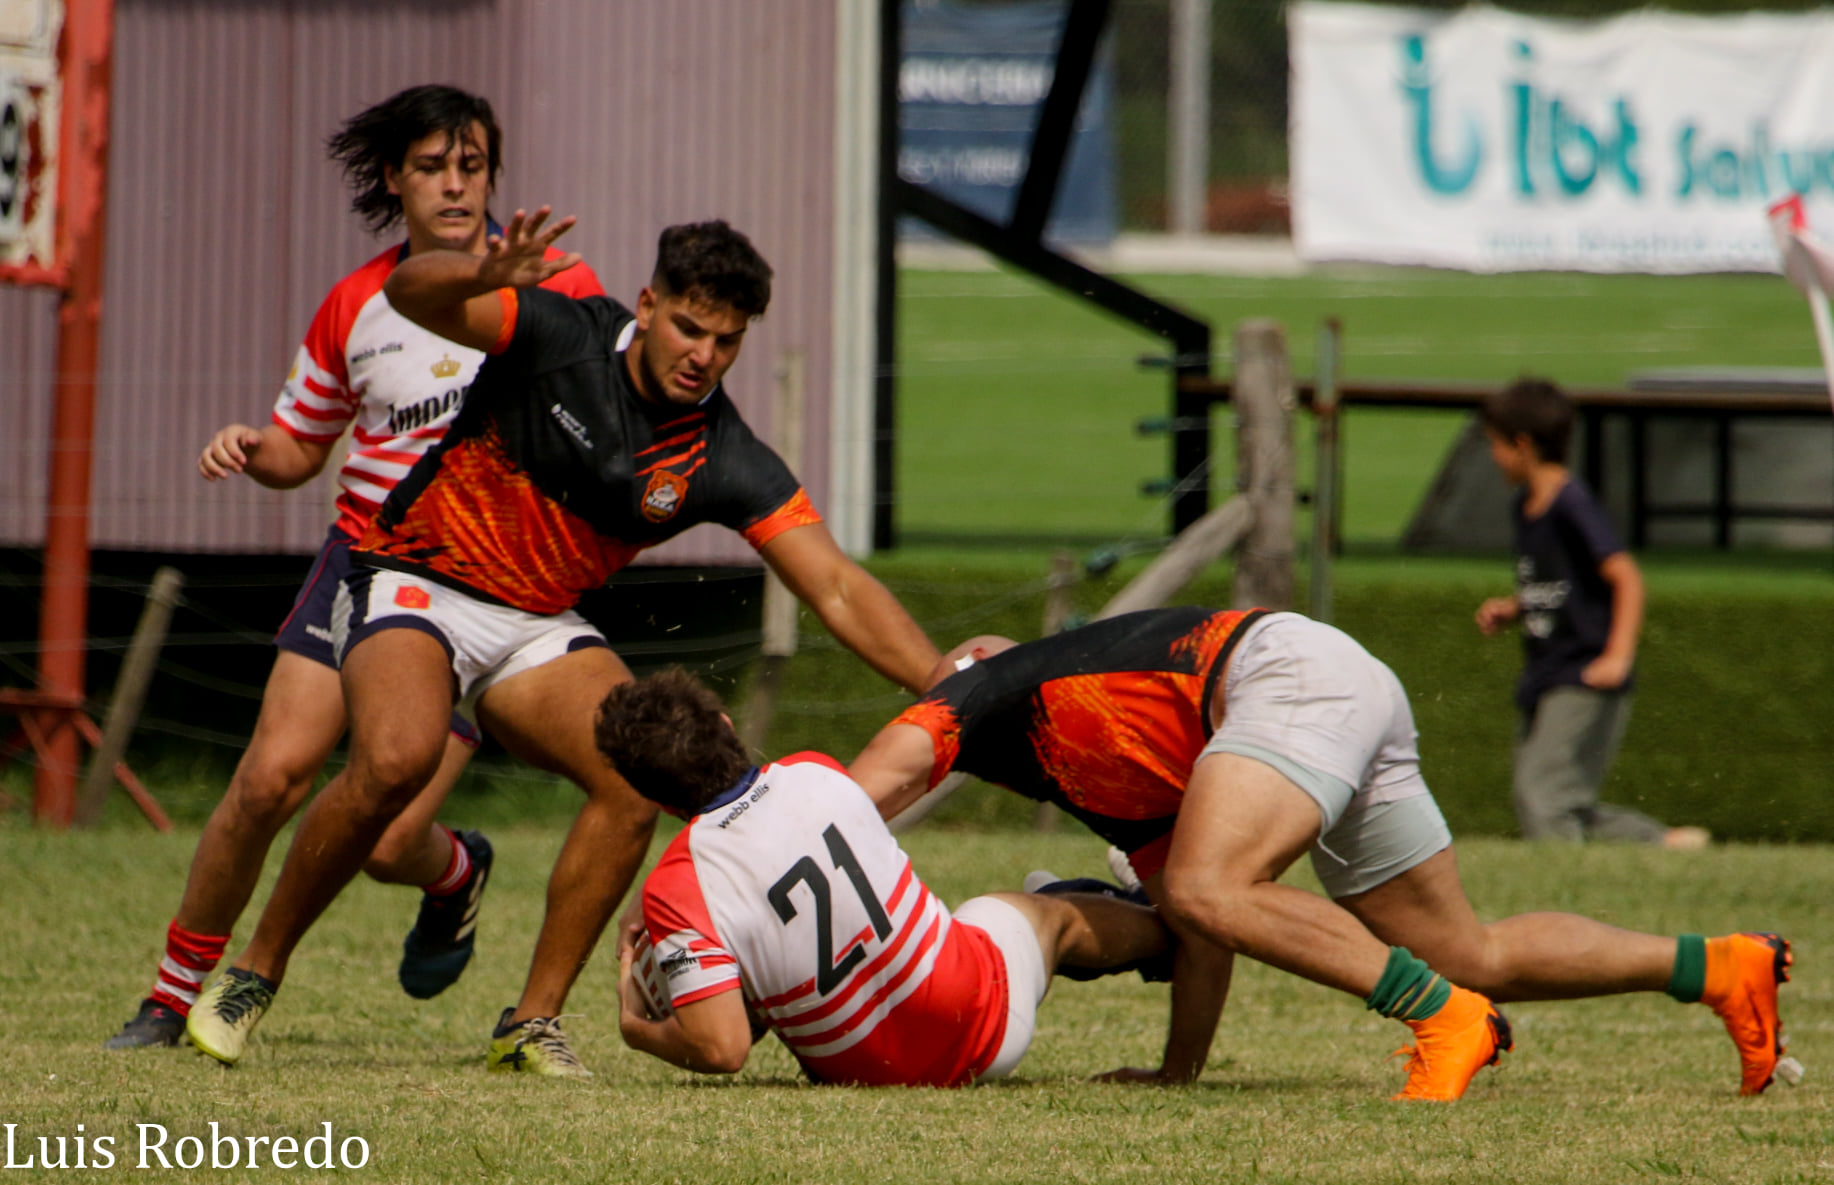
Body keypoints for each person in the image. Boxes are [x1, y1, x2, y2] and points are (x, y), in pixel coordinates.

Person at [183, 212, 940, 1078]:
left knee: (634, 775)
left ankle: (531, 1022)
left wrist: (939, 680)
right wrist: (478, 273)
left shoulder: (720, 452)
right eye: (689, 327)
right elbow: (405, 292)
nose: (703, 355)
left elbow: (835, 583)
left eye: (726, 341)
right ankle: (253, 972)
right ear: (647, 305)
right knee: (396, 757)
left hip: (535, 623)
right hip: (414, 576)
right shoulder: (557, 330)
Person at [104, 85, 604, 1051]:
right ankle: (170, 996)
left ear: (494, 176)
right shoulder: (356, 303)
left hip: (481, 578)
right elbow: (303, 447)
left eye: (471, 167)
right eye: (432, 167)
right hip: (362, 558)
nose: (455, 186)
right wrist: (255, 447)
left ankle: (451, 870)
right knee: (269, 778)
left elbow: (606, 422)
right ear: (394, 180)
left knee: (387, 838)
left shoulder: (558, 282)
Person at [848, 608, 1796, 1100]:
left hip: (1284, 675)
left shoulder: (984, 689)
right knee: (1464, 949)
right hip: (1333, 680)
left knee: (1216, 884)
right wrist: (1179, 1071)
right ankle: (1721, 965)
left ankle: (1447, 1019)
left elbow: (858, 794)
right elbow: (1199, 926)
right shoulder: (1092, 762)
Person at [598, 669, 1170, 1085]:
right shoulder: (815, 771)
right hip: (981, 1029)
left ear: (654, 798)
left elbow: (723, 1044)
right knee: (1047, 914)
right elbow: (722, 1046)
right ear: (725, 725)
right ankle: (1169, 928)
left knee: (1001, 917)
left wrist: (640, 1026)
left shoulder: (679, 887)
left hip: (858, 1072)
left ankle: (1134, 911)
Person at [1476, 377, 1707, 848]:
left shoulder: (1572, 503)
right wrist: (1514, 607)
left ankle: (1561, 881)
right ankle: (1662, 844)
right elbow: (1560, 585)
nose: (1493, 457)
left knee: (1542, 795)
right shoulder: (1526, 507)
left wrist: (1617, 656)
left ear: (1523, 445)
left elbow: (1626, 578)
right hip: (1545, 671)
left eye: (1496, 445)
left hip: (1583, 671)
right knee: (1557, 798)